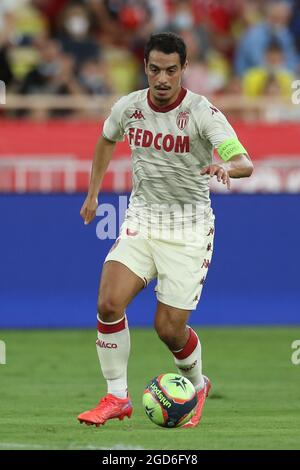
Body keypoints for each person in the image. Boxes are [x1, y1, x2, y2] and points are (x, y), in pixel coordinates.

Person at [78, 32, 253, 428]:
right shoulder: (129, 107)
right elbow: (106, 139)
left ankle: (197, 384)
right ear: (145, 67)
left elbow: (245, 162)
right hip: (142, 219)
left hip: (189, 228)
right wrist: (93, 194)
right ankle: (116, 397)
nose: (162, 78)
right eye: (155, 69)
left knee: (168, 329)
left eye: (171, 70)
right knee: (108, 302)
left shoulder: (203, 113)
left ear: (184, 70)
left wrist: (227, 167)